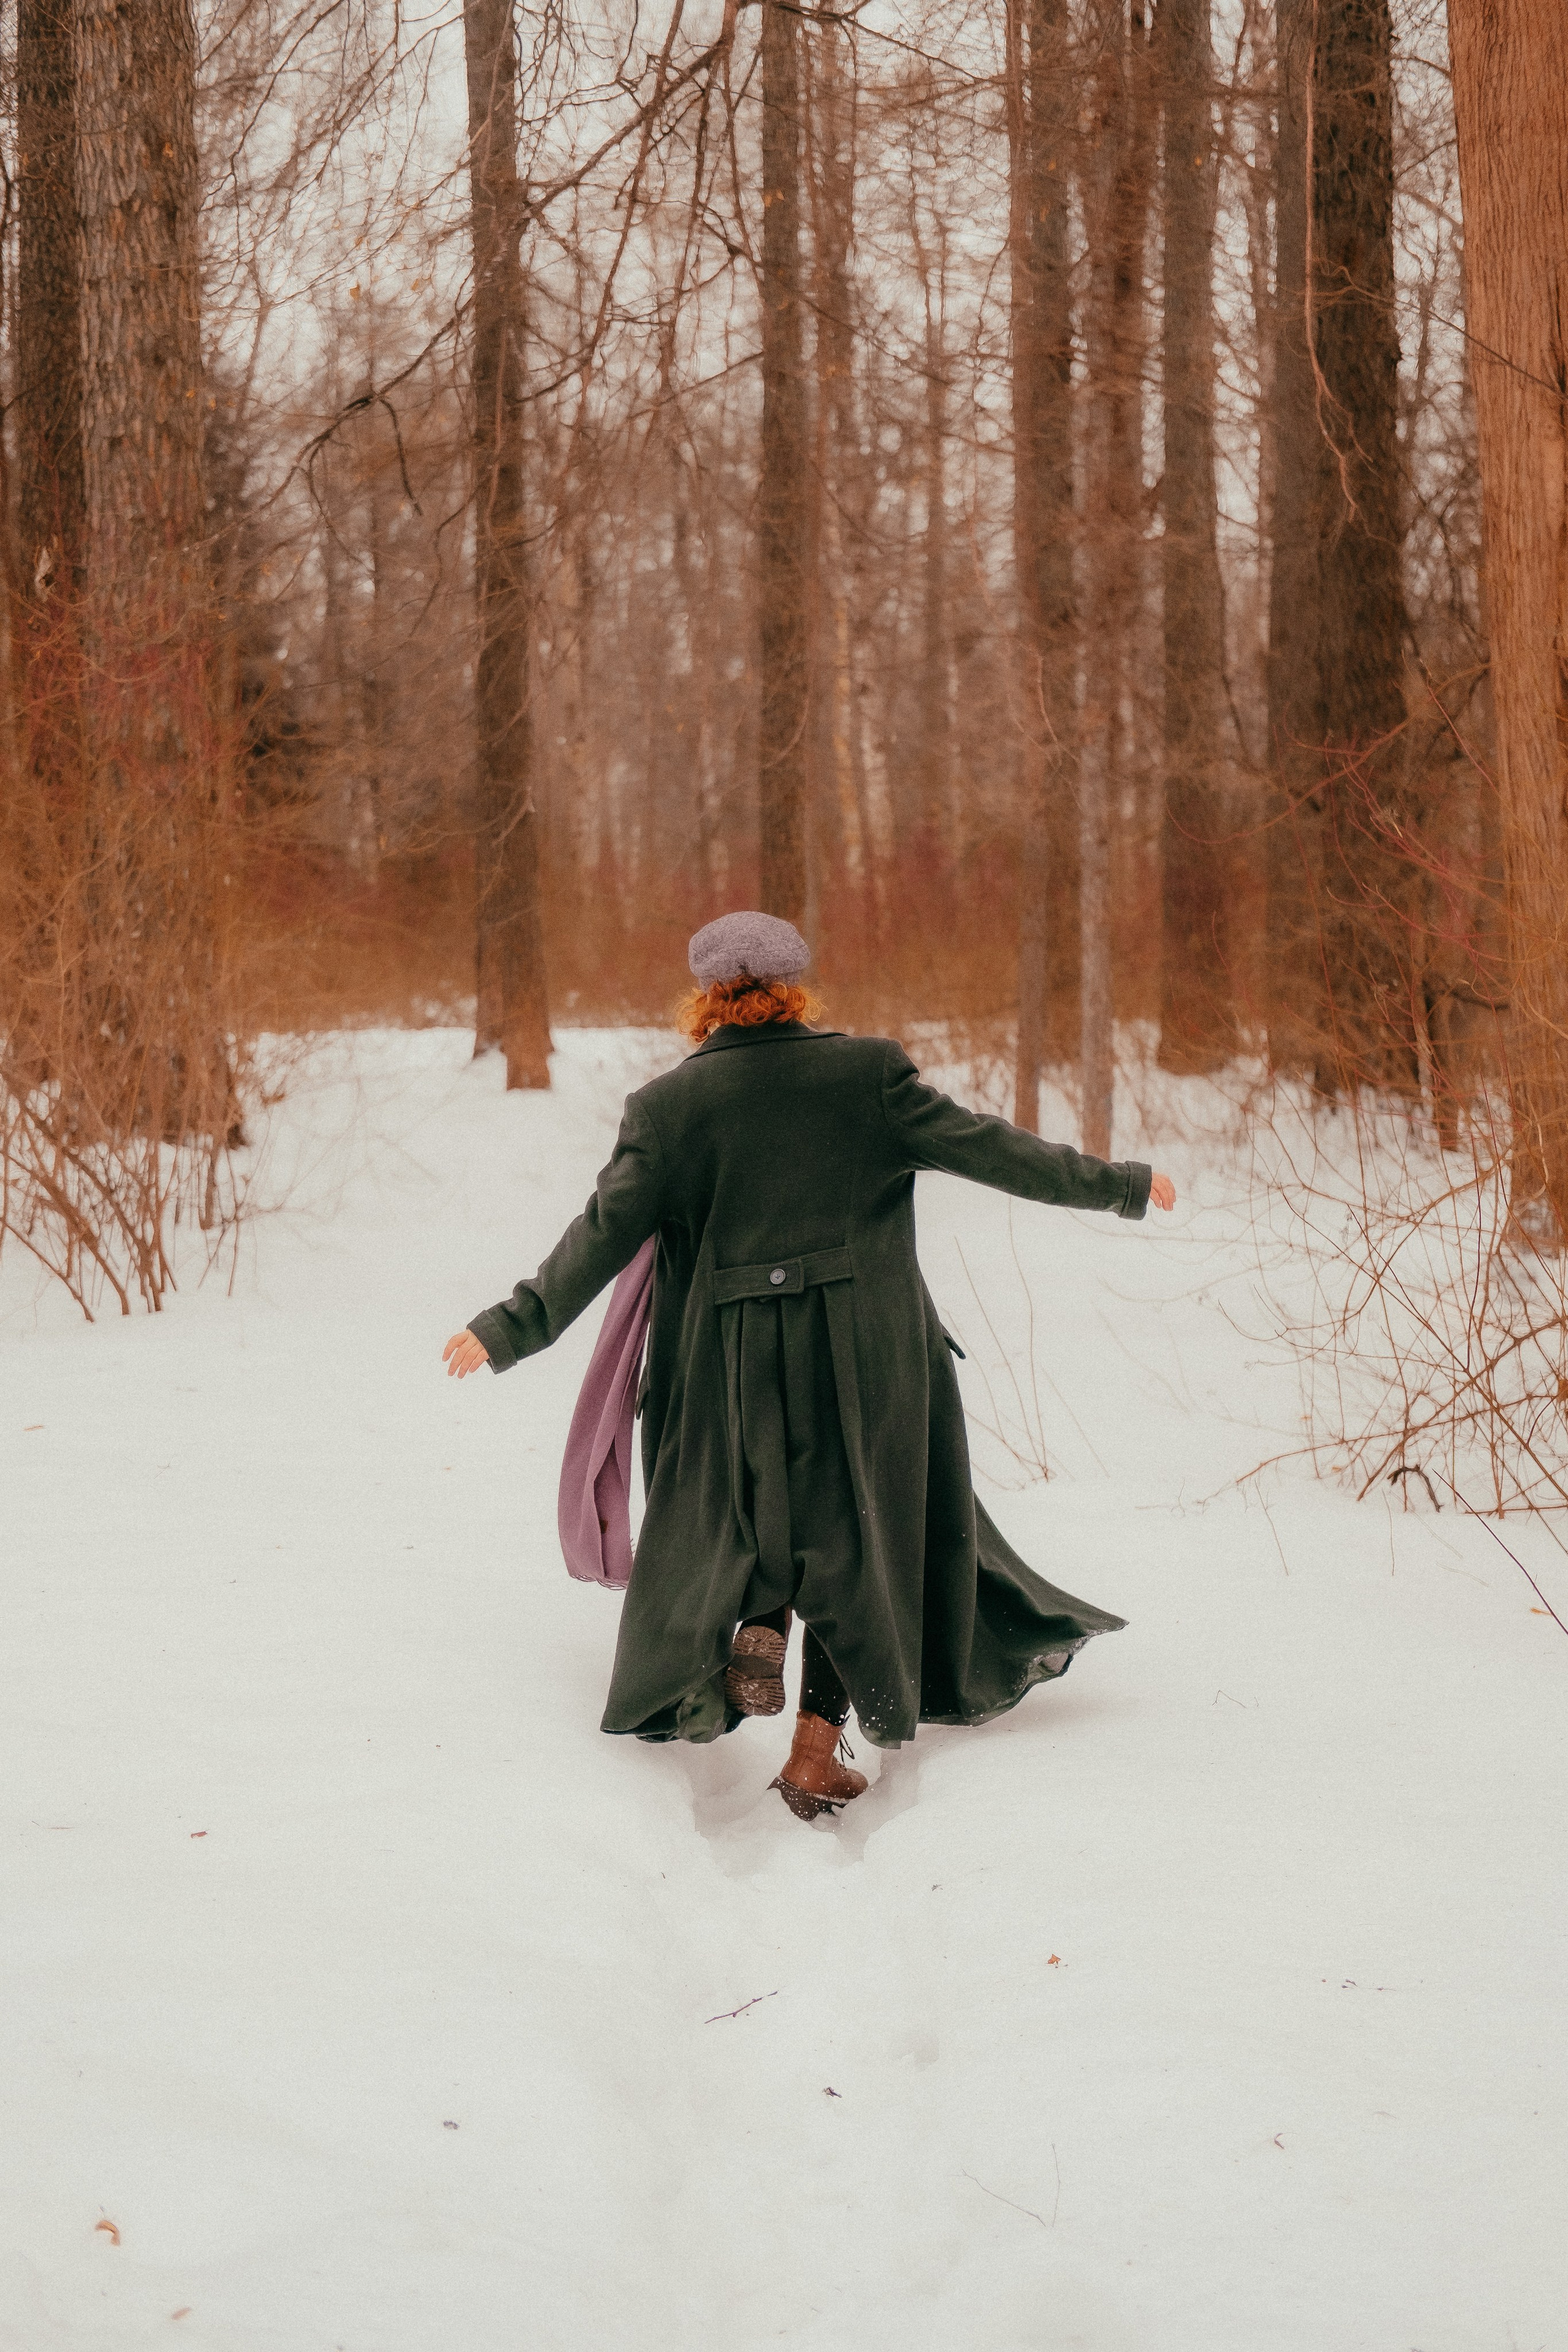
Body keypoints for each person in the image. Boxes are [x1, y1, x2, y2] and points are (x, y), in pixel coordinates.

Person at [443, 912, 1176, 1822]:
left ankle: (758, 1623)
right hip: (867, 1355)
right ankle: (813, 1754)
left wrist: (508, 1327)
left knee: (742, 1512)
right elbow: (997, 1152)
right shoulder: (867, 1077)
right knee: (863, 1530)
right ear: (798, 985)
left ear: (705, 997)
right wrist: (1122, 1186)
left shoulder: (668, 1110)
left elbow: (599, 1238)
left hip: (722, 1367)